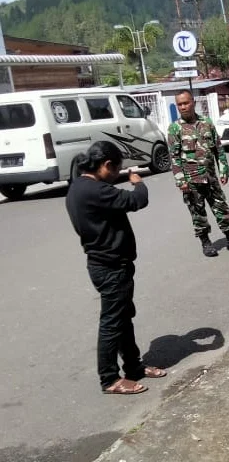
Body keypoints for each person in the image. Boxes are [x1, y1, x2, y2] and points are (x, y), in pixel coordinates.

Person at [66, 141, 166, 395]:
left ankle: (133, 366)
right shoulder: (96, 190)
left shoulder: (79, 186)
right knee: (112, 322)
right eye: (117, 169)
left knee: (122, 318)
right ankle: (109, 378)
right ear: (107, 165)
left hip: (107, 263)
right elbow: (137, 200)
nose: (117, 174)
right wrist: (137, 182)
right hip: (110, 266)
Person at [168, 90, 229, 257]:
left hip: (210, 177)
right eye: (179, 104)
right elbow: (174, 157)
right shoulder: (175, 128)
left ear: (193, 102)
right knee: (198, 214)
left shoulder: (206, 123)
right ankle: (206, 243)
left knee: (222, 208)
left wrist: (224, 169)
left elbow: (218, 148)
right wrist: (180, 180)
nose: (183, 107)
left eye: (186, 103)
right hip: (191, 180)